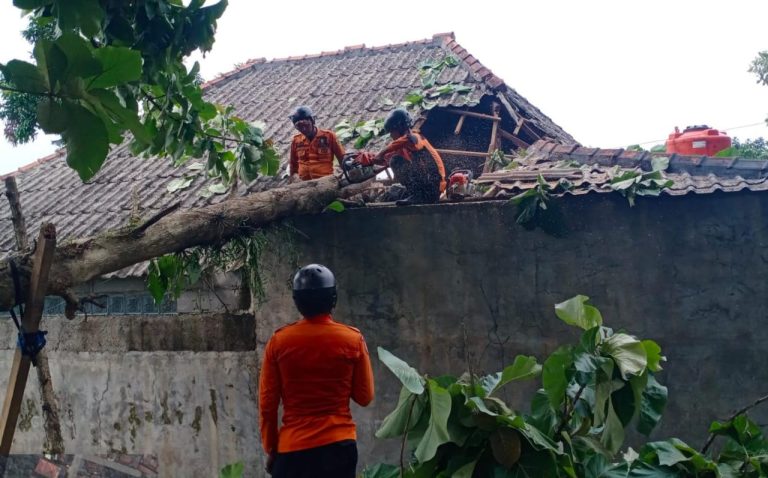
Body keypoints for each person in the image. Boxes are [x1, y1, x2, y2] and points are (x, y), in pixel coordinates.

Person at [259, 264, 375, 478]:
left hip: (293, 450)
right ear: (333, 298)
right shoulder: (352, 339)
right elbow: (364, 396)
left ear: (297, 301)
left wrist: (271, 447)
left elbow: (268, 405)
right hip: (339, 447)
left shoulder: (279, 342)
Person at [375, 108, 446, 205]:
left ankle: (418, 196)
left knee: (396, 161)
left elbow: (403, 141)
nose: (391, 135)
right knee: (393, 191)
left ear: (400, 128)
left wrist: (381, 153)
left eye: (392, 131)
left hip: (434, 187)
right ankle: (417, 194)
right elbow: (388, 156)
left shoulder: (415, 137)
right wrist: (373, 160)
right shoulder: (406, 147)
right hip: (428, 187)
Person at [289, 106, 346, 181]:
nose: (303, 129)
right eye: (299, 127)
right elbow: (293, 165)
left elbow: (342, 158)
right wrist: (293, 178)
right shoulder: (296, 140)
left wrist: (345, 174)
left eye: (305, 125)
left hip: (326, 182)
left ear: (312, 121)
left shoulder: (329, 136)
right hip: (304, 183)